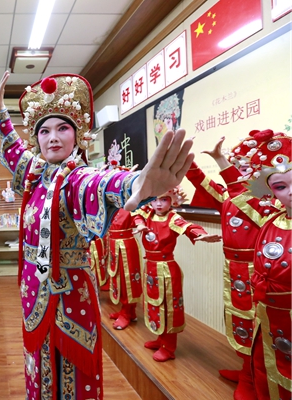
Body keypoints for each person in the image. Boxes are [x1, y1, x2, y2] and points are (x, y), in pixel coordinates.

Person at [0, 71, 194, 399]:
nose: (53, 137)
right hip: (32, 292)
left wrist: (135, 183)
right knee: (37, 364)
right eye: (44, 130)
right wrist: (0, 113)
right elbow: (13, 149)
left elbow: (102, 182)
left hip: (69, 295)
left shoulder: (77, 176)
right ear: (37, 139)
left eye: (63, 128)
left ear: (76, 134)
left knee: (72, 372)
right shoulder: (36, 172)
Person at [185, 131, 280, 400]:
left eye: (244, 165)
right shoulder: (232, 196)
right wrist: (186, 162)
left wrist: (220, 160)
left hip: (257, 272)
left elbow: (242, 196)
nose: (239, 170)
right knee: (239, 321)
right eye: (237, 164)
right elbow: (203, 184)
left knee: (256, 324)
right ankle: (245, 369)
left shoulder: (268, 203)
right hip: (233, 269)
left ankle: (252, 379)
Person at [230, 133, 291, 400]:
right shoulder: (270, 220)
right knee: (265, 368)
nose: (290, 192)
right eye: (280, 186)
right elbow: (237, 196)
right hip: (265, 316)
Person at [133, 186, 222, 362]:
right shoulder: (148, 214)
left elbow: (188, 227)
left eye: (164, 199)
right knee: (154, 305)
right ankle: (160, 338)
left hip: (166, 270)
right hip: (150, 267)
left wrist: (201, 234)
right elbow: (135, 214)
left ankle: (169, 347)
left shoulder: (173, 218)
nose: (158, 203)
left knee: (168, 308)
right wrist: (140, 224)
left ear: (173, 201)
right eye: (155, 199)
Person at [106, 207, 143, 330]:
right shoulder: (113, 205)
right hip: (114, 244)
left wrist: (139, 224)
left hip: (125, 245)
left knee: (128, 279)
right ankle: (128, 310)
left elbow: (138, 216)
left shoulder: (133, 203)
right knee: (118, 277)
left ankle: (127, 312)